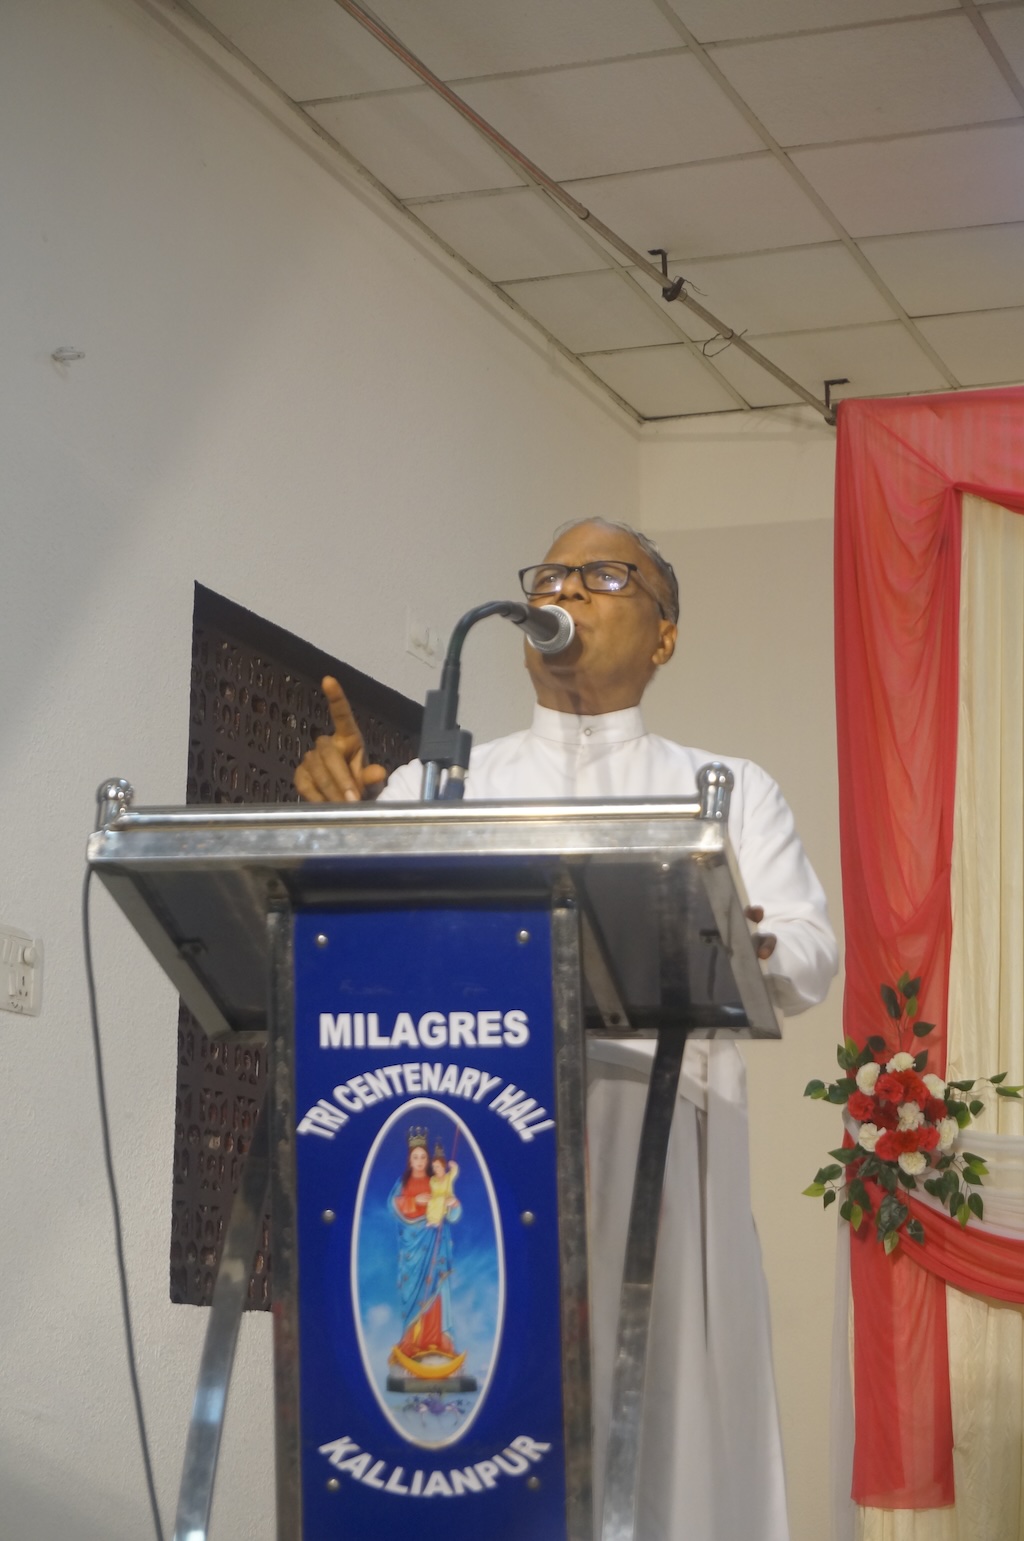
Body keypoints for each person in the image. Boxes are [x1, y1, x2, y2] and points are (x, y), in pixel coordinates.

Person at [296, 518, 837, 1541]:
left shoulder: (727, 788)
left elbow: (809, 949)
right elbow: (350, 933)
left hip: (657, 1133)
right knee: (488, 1404)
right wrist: (343, 821)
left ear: (665, 634)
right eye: (552, 573)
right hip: (477, 1147)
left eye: (606, 574)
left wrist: (742, 937)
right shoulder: (441, 788)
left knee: (661, 1426)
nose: (569, 589)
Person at [389, 1132, 465, 1379]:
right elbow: (393, 1205)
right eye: (416, 1157)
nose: (420, 1161)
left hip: (436, 1244)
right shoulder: (402, 1184)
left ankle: (437, 1342)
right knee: (414, 1294)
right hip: (412, 1250)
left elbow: (452, 1213)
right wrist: (415, 1201)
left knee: (437, 1292)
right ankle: (412, 1343)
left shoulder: (437, 1182)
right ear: (409, 1160)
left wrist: (453, 1205)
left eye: (423, 1157)